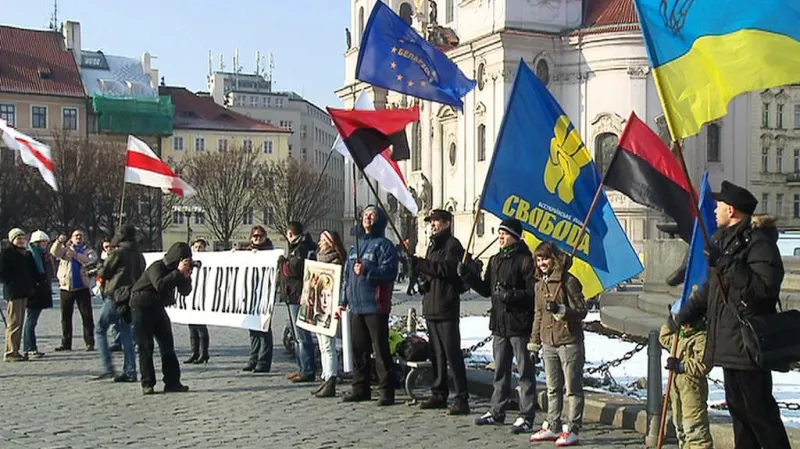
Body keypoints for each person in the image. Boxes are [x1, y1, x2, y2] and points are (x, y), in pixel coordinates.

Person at [675, 180, 791, 449]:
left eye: (720, 205)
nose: (715, 209)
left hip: (749, 344)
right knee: (739, 415)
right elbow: (713, 289)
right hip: (729, 342)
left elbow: (762, 291)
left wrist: (725, 263)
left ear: (732, 210)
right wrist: (686, 313)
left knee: (761, 416)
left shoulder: (759, 244)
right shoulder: (725, 242)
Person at [458, 218, 537, 433]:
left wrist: (511, 295)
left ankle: (527, 414)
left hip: (519, 325)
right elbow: (486, 289)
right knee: (500, 371)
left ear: (515, 236)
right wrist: (469, 277)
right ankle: (497, 410)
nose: (500, 237)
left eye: (504, 233)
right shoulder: (495, 260)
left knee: (525, 372)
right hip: (500, 325)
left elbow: (534, 294)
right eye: (500, 233)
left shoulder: (526, 260)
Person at [409, 209, 470, 415]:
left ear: (447, 223)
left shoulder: (453, 245)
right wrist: (422, 281)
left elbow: (446, 270)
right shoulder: (432, 245)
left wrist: (422, 264)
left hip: (446, 307)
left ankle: (462, 397)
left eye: (436, 221)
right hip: (431, 306)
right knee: (436, 354)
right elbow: (432, 273)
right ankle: (439, 392)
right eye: (431, 222)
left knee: (452, 354)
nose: (432, 225)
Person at [529, 241, 587, 446]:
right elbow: (538, 315)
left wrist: (562, 311)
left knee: (572, 388)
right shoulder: (539, 285)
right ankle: (553, 424)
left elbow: (582, 310)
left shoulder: (568, 281)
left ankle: (573, 428)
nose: (542, 263)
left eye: (545, 258)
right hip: (548, 343)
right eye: (539, 259)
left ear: (554, 259)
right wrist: (534, 343)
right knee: (553, 387)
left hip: (568, 341)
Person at [341, 205, 399, 406]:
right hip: (356, 306)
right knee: (359, 350)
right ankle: (360, 387)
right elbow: (347, 277)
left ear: (379, 220)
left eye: (372, 214)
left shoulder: (384, 245)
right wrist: (343, 300)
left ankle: (386, 390)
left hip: (375, 305)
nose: (368, 218)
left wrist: (367, 269)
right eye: (365, 215)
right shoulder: (354, 247)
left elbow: (389, 272)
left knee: (381, 350)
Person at [130, 242, 193, 395]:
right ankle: (147, 383)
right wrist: (178, 273)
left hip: (157, 308)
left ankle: (172, 382)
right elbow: (160, 285)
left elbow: (185, 292)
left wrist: (186, 277)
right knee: (146, 347)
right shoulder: (156, 267)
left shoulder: (174, 271)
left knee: (167, 346)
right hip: (141, 308)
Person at [94, 225, 144, 383]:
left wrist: (100, 264)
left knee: (100, 329)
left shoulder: (118, 252)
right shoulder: (139, 255)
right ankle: (130, 370)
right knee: (126, 332)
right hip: (132, 295)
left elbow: (105, 272)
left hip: (116, 295)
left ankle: (108, 367)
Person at [660, 317, 713, 449]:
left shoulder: (701, 337)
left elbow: (703, 364)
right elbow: (664, 338)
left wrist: (681, 366)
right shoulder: (680, 336)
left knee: (695, 430)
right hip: (677, 390)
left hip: (692, 390)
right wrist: (670, 321)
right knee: (681, 428)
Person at [312, 230, 347, 398]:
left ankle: (331, 378)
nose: (319, 244)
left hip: (329, 306)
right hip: (320, 307)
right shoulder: (320, 259)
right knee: (322, 345)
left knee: (328, 345)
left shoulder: (335, 261)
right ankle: (325, 377)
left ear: (330, 243)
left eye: (322, 241)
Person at [51, 230, 98, 351]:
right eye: (76, 236)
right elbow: (54, 252)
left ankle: (89, 342)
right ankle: (66, 343)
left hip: (82, 287)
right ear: (71, 238)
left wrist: (76, 255)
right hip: (66, 287)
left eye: (80, 236)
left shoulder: (89, 251)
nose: (78, 237)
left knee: (87, 316)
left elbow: (91, 261)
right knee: (65, 317)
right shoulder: (65, 249)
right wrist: (59, 241)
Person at [282, 221, 317, 383]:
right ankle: (302, 367)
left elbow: (294, 269)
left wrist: (283, 264)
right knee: (298, 336)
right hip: (294, 293)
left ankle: (307, 369)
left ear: (290, 234)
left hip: (298, 294)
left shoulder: (301, 248)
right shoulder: (301, 246)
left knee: (302, 335)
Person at [0, 228, 38, 362]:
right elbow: (3, 273)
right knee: (14, 323)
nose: (21, 241)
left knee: (20, 322)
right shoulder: (8, 253)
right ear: (12, 240)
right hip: (14, 292)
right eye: (18, 239)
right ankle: (10, 352)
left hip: (24, 291)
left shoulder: (26, 254)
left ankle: (15, 350)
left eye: (23, 238)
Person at [242, 227, 275, 372]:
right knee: (253, 328)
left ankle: (264, 360)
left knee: (264, 327)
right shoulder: (248, 252)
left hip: (265, 293)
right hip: (250, 293)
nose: (257, 238)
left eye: (260, 236)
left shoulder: (270, 252)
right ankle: (253, 358)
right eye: (254, 236)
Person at [24, 230, 54, 359]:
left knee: (32, 320)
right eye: (44, 242)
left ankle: (31, 346)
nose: (45, 245)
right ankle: (29, 347)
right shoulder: (31, 255)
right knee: (31, 320)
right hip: (34, 292)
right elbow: (32, 274)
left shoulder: (41, 255)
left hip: (39, 291)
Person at [185, 238, 211, 365]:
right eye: (196, 247)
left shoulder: (210, 261)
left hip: (202, 297)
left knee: (201, 326)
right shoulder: (189, 261)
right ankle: (194, 352)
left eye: (201, 247)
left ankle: (204, 353)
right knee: (191, 326)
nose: (198, 249)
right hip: (190, 296)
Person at [100, 237, 122, 352]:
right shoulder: (103, 259)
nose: (109, 249)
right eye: (106, 247)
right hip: (107, 292)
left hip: (119, 292)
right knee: (113, 321)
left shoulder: (118, 257)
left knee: (126, 321)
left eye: (110, 247)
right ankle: (117, 341)